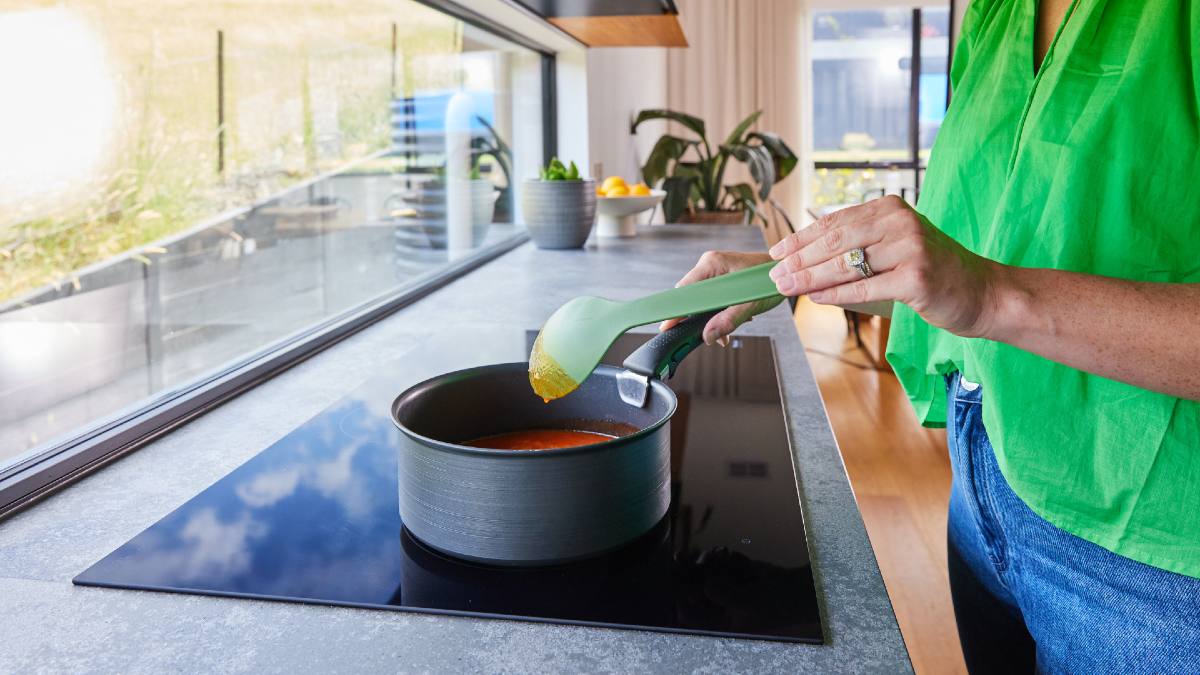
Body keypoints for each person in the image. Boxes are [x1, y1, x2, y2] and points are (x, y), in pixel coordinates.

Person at [666, 1, 1200, 672]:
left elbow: (980, 279)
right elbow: (964, 231)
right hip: (985, 466)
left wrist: (990, 294)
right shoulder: (995, 15)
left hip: (1153, 558)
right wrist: (792, 268)